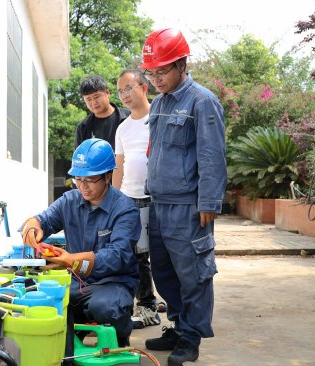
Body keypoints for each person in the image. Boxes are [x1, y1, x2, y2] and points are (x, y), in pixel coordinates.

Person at [139, 28, 227, 366]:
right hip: (159, 204)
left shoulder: (202, 101)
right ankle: (178, 325)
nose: (157, 78)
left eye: (162, 70)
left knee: (194, 276)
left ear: (182, 64)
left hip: (189, 206)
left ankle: (191, 338)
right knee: (163, 273)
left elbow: (211, 155)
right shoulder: (160, 104)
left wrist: (208, 202)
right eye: (152, 71)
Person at [21, 138, 141, 361]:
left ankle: (120, 335)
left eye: (90, 180)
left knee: (105, 307)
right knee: (46, 302)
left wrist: (71, 260)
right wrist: (31, 227)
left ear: (107, 177)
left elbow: (118, 256)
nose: (82, 185)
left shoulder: (125, 209)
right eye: (78, 179)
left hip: (113, 282)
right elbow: (42, 220)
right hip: (76, 281)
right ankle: (66, 354)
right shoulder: (69, 200)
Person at [112, 68, 162, 329]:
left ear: (143, 86)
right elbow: (119, 166)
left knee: (164, 255)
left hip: (159, 198)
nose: (124, 95)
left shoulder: (160, 117)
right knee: (137, 256)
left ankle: (168, 305)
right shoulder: (122, 128)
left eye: (128, 88)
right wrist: (114, 200)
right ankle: (147, 307)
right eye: (120, 91)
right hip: (130, 199)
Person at [74, 75, 130, 150]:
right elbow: (80, 158)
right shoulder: (83, 127)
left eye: (96, 97)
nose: (93, 102)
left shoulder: (129, 117)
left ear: (107, 93)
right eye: (88, 99)